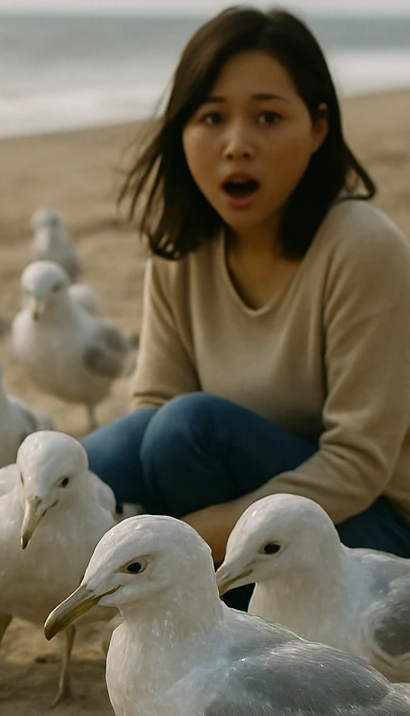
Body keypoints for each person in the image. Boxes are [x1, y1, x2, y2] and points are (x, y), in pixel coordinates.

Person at [83, 6, 410, 581]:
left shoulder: (364, 248)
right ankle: (10, 519)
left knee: (190, 426)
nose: (237, 144)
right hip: (249, 519)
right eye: (211, 117)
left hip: (377, 535)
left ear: (318, 128)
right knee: (130, 446)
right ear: (181, 131)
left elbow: (358, 464)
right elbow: (151, 418)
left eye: (267, 117)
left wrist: (194, 542)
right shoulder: (182, 252)